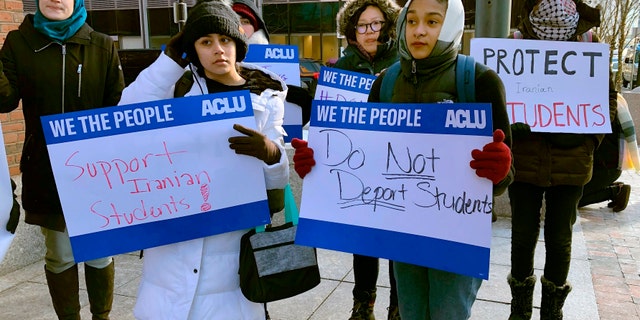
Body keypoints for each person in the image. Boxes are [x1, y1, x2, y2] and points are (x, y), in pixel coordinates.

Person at [293, 0, 513, 318]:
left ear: (451, 24)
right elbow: (363, 160)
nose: (419, 30)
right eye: (411, 21)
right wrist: (319, 166)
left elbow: (506, 176)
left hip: (456, 236)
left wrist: (500, 170)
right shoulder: (386, 83)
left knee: (448, 313)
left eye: (432, 21)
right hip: (404, 234)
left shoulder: (479, 81)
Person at [118, 0, 289, 319]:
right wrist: (166, 64)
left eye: (225, 40)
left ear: (238, 44)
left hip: (230, 257)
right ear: (193, 49)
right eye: (205, 41)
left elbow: (276, 191)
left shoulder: (265, 99)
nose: (218, 49)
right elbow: (127, 118)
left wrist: (272, 155)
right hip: (171, 251)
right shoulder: (175, 92)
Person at [0, 0, 124, 318]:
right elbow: (5, 100)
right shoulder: (19, 42)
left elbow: (118, 108)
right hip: (46, 171)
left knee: (99, 254)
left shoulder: (102, 45)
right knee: (60, 254)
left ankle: (102, 316)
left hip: (97, 172)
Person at [506, 1, 614, 319]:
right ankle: (520, 308)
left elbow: (607, 96)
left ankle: (552, 310)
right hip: (524, 157)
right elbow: (500, 92)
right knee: (522, 236)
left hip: (572, 159)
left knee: (559, 238)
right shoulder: (516, 42)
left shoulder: (588, 43)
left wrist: (591, 141)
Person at [333, 0, 402, 318]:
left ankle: (399, 306)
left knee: (398, 243)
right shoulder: (338, 71)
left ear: (388, 26)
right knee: (364, 240)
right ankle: (363, 304)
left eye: (376, 24)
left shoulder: (404, 64)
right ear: (352, 30)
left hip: (399, 164)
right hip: (357, 165)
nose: (370, 31)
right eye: (363, 25)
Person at [578, 90, 634, 213]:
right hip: (610, 166)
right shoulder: (616, 102)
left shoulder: (602, 110)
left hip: (605, 168)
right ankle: (610, 187)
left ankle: (615, 191)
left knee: (574, 199)